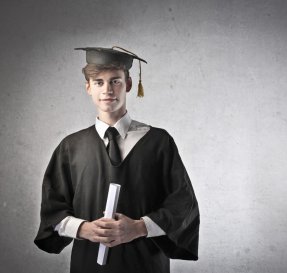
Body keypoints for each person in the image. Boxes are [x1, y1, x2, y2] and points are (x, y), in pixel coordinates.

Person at [34, 46, 200, 273]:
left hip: (145, 263)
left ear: (129, 84)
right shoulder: (71, 147)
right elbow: (53, 209)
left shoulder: (158, 141)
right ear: (88, 88)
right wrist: (83, 229)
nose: (107, 90)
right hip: (88, 263)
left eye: (115, 81)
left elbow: (182, 203)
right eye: (99, 82)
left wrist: (139, 227)